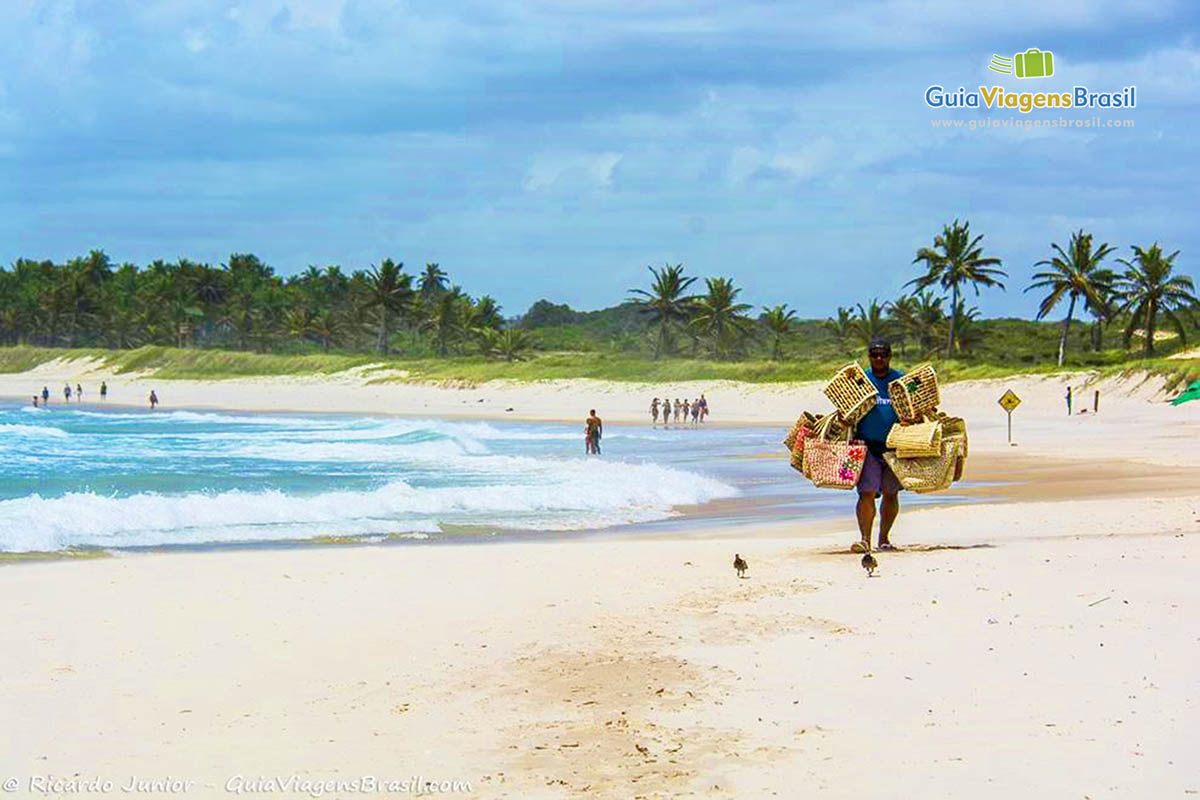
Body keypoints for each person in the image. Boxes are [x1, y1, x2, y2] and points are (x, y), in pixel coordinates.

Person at [851, 338, 904, 554]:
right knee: (866, 493)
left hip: (895, 448)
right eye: (874, 355)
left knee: (891, 494)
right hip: (867, 447)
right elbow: (847, 410)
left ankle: (884, 539)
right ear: (869, 357)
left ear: (890, 356)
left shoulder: (900, 380)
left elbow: (914, 407)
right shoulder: (861, 380)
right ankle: (865, 540)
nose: (879, 359)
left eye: (883, 355)